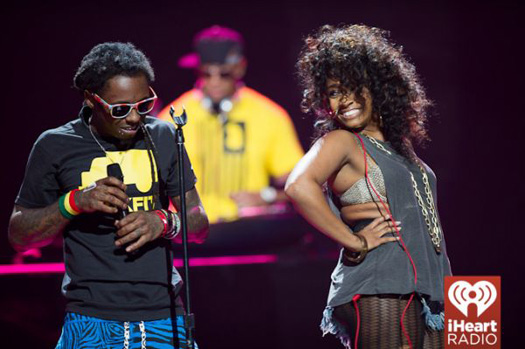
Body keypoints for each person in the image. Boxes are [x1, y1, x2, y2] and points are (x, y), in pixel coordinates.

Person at [8, 42, 209, 349]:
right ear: (91, 100)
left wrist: (165, 221)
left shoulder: (165, 137)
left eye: (144, 105)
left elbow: (199, 223)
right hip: (91, 319)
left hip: (164, 315)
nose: (133, 118)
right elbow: (20, 235)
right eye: (120, 109)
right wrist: (72, 202)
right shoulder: (55, 145)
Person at [286, 25, 451, 349]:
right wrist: (354, 240)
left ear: (379, 86)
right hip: (382, 284)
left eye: (353, 86)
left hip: (435, 291)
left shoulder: (400, 148)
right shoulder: (342, 141)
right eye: (334, 91)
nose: (343, 99)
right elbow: (297, 186)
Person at [157, 25, 304, 223]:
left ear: (240, 68)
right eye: (206, 74)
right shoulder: (171, 118)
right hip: (190, 233)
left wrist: (267, 197)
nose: (215, 82)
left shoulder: (270, 116)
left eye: (224, 74)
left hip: (249, 233)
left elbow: (300, 186)